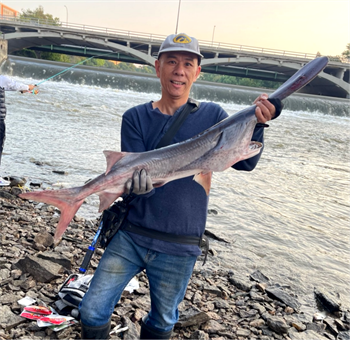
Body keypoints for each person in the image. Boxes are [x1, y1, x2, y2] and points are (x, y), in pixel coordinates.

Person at [79, 33, 282, 339]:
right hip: (132, 234)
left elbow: (245, 162)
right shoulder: (134, 117)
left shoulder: (213, 116)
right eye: (172, 62)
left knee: (162, 322)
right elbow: (129, 178)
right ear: (157, 67)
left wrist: (260, 124)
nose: (179, 70)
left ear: (197, 72)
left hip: (181, 242)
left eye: (188, 63)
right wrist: (137, 186)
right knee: (92, 311)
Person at [0, 75, 36, 186]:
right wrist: (29, 87)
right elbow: (14, 85)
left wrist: (24, 89)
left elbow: (10, 87)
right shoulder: (2, 79)